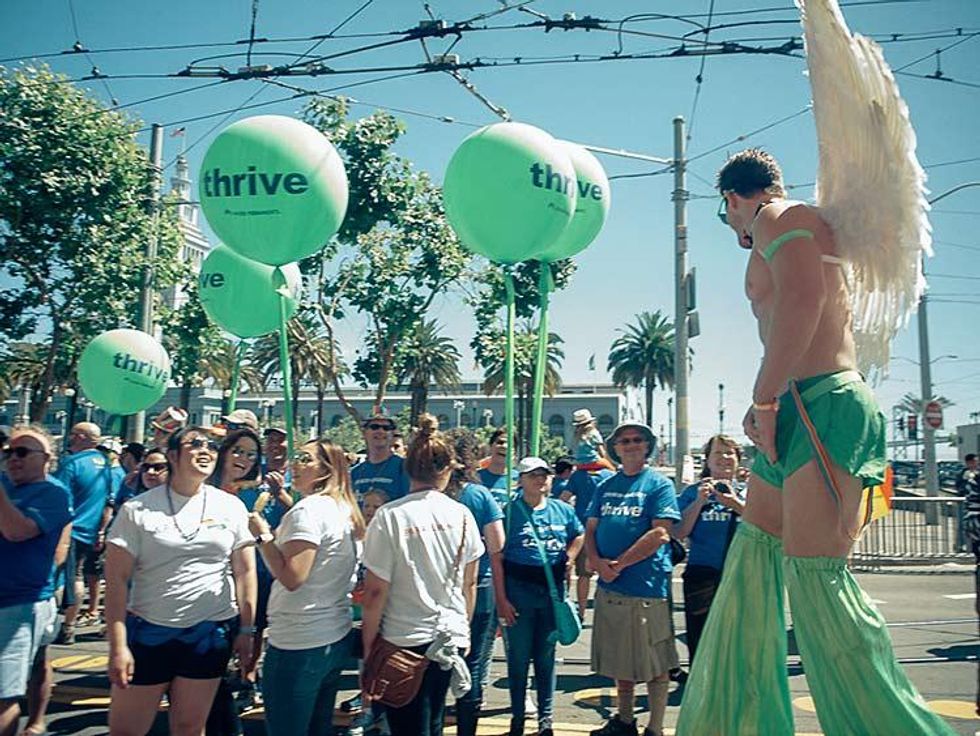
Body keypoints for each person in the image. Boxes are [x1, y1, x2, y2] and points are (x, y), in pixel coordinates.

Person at [675, 149, 955, 735]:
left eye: (725, 213)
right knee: (754, 565)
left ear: (733, 199)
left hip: (823, 406)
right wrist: (770, 402)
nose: (730, 227)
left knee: (815, 578)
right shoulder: (790, 222)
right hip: (800, 406)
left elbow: (807, 301)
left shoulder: (779, 215)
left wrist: (763, 398)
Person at [104, 426, 256, 736]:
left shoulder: (230, 506)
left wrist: (245, 629)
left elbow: (245, 572)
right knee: (127, 730)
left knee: (189, 727)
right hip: (149, 632)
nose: (206, 450)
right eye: (195, 444)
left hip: (208, 632)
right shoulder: (137, 510)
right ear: (173, 455)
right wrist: (118, 645)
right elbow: (117, 581)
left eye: (212, 446)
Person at [361, 413, 483, 736]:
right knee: (434, 720)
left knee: (407, 725)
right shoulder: (462, 515)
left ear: (408, 467)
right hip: (450, 637)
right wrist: (463, 627)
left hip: (403, 640)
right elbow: (469, 583)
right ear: (446, 471)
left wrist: (368, 642)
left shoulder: (389, 517)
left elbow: (375, 593)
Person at [248, 439, 365, 736]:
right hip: (332, 634)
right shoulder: (344, 510)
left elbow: (292, 578)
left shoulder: (309, 512)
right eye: (296, 457)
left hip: (298, 641)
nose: (296, 464)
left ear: (326, 470)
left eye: (305, 459)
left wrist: (263, 537)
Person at [585, 422, 679, 736]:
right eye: (624, 440)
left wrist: (620, 564)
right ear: (615, 447)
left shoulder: (658, 484)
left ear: (647, 445)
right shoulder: (605, 485)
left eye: (638, 439)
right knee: (618, 661)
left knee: (656, 663)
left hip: (646, 589)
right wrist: (597, 562)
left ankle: (655, 727)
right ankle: (625, 720)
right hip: (610, 588)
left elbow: (661, 532)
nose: (631, 444)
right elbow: (591, 528)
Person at [495, 457, 583, 736]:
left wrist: (569, 558)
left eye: (544, 474)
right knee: (518, 659)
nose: (539, 479)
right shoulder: (509, 513)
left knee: (546, 657)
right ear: (520, 480)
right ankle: (518, 718)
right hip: (519, 594)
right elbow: (497, 557)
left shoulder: (562, 510)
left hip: (551, 595)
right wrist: (502, 600)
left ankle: (546, 718)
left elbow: (578, 535)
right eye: (532, 475)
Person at [0, 426, 72, 736]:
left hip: (21, 603)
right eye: (8, 453)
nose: (13, 459)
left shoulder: (53, 493)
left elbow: (16, 531)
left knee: (4, 693)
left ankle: (35, 720)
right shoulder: (6, 486)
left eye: (22, 452)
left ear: (47, 459)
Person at [205, 428, 273, 733]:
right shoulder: (198, 489)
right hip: (189, 606)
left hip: (227, 604)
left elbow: (248, 567)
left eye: (250, 454)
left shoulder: (251, 496)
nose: (243, 459)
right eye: (238, 451)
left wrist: (245, 627)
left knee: (213, 686)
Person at [445, 428, 505, 736]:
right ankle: (466, 728)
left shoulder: (431, 493)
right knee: (474, 662)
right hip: (478, 585)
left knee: (437, 658)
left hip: (438, 587)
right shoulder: (479, 495)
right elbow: (497, 543)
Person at [673, 434, 746, 664]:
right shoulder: (692, 492)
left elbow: (765, 523)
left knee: (737, 636)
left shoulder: (748, 491)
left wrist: (733, 502)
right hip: (702, 573)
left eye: (729, 453)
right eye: (717, 453)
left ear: (738, 460)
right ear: (706, 460)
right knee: (700, 635)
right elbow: (678, 532)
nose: (724, 458)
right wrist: (699, 502)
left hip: (741, 573)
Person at [56, 422, 120, 643]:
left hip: (69, 531)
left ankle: (59, 626)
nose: (70, 438)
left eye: (73, 434)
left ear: (83, 437)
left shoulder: (71, 464)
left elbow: (58, 499)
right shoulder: (104, 465)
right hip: (91, 532)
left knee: (61, 578)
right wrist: (101, 531)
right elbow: (108, 504)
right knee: (78, 576)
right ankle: (69, 626)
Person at [563, 464, 614, 621]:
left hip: (580, 527)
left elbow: (564, 498)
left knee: (575, 571)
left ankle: (573, 610)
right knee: (597, 572)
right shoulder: (609, 475)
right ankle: (592, 610)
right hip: (603, 529)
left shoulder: (578, 475)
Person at [351, 414, 410, 504]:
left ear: (392, 434)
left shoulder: (404, 467)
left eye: (386, 428)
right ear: (364, 433)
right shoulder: (355, 472)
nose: (380, 431)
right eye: (374, 427)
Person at [477, 427, 515, 508]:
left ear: (514, 451)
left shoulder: (521, 479)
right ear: (491, 446)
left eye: (510, 444)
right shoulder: (475, 477)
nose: (504, 446)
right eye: (500, 442)